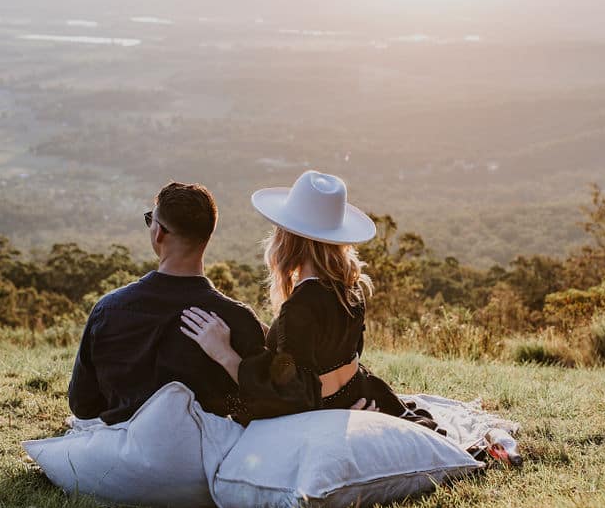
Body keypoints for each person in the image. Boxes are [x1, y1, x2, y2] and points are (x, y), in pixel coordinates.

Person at [181, 170, 444, 431]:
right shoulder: (349, 290)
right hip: (357, 390)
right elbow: (331, 352)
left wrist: (225, 355)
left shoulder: (300, 306)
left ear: (289, 237)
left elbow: (294, 395)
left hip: (322, 408)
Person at [67, 182, 267, 425]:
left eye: (151, 219)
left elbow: (83, 405)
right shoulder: (238, 320)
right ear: (207, 236)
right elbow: (258, 404)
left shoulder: (108, 310)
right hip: (204, 456)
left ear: (159, 232)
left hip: (121, 450)